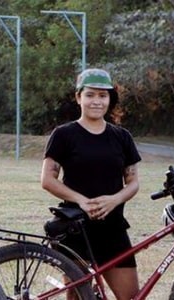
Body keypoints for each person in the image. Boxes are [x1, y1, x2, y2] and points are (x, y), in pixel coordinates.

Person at [40, 68, 141, 299]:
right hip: (75, 230)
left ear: (109, 99)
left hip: (113, 230)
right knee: (79, 297)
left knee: (131, 297)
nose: (97, 101)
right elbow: (47, 179)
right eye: (90, 95)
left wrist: (114, 200)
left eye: (103, 96)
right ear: (79, 97)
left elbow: (133, 182)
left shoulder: (122, 137)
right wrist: (82, 201)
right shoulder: (64, 135)